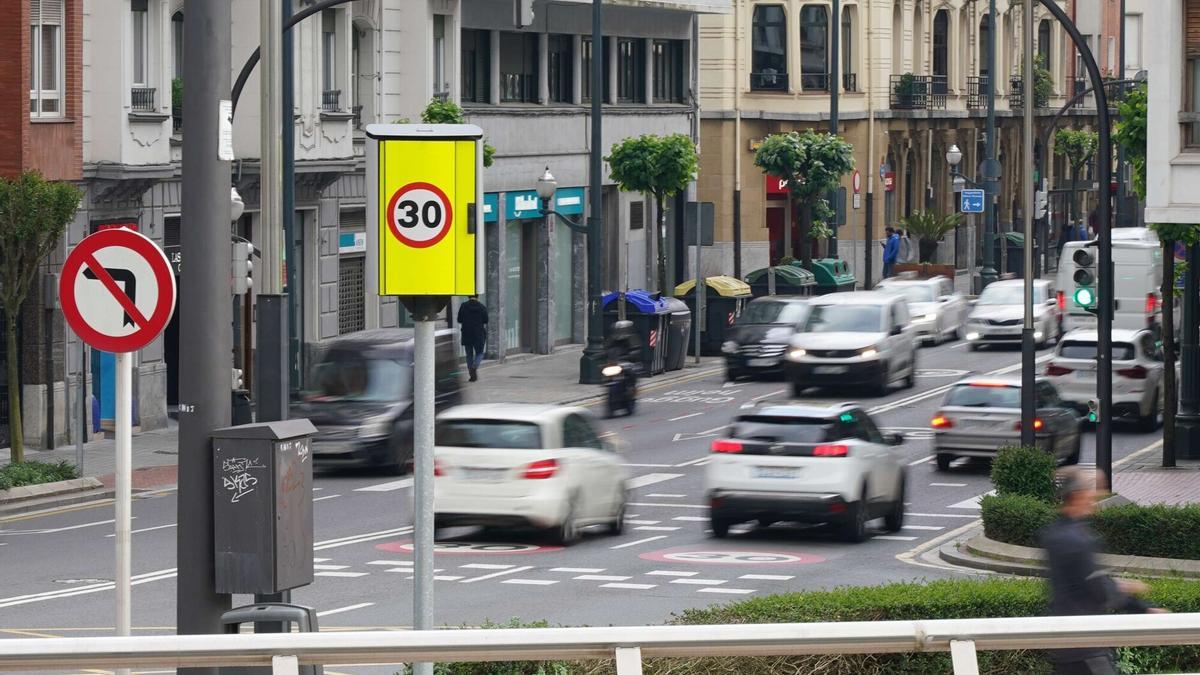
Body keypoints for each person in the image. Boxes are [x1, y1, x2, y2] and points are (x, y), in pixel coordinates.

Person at [1039, 466, 1166, 674]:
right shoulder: (1079, 540)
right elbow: (1099, 589)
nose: (1097, 497)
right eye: (1093, 492)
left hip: (1062, 641)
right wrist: (1142, 606)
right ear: (1078, 496)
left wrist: (1119, 587)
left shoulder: (1053, 533)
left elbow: (1087, 581)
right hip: (1087, 646)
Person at [456, 296, 488, 382]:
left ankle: (472, 376)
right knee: (480, 353)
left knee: (469, 355)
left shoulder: (463, 306)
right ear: (477, 296)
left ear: (468, 296)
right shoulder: (482, 307)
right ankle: (474, 366)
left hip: (467, 333)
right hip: (479, 334)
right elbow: (486, 320)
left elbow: (459, 319)